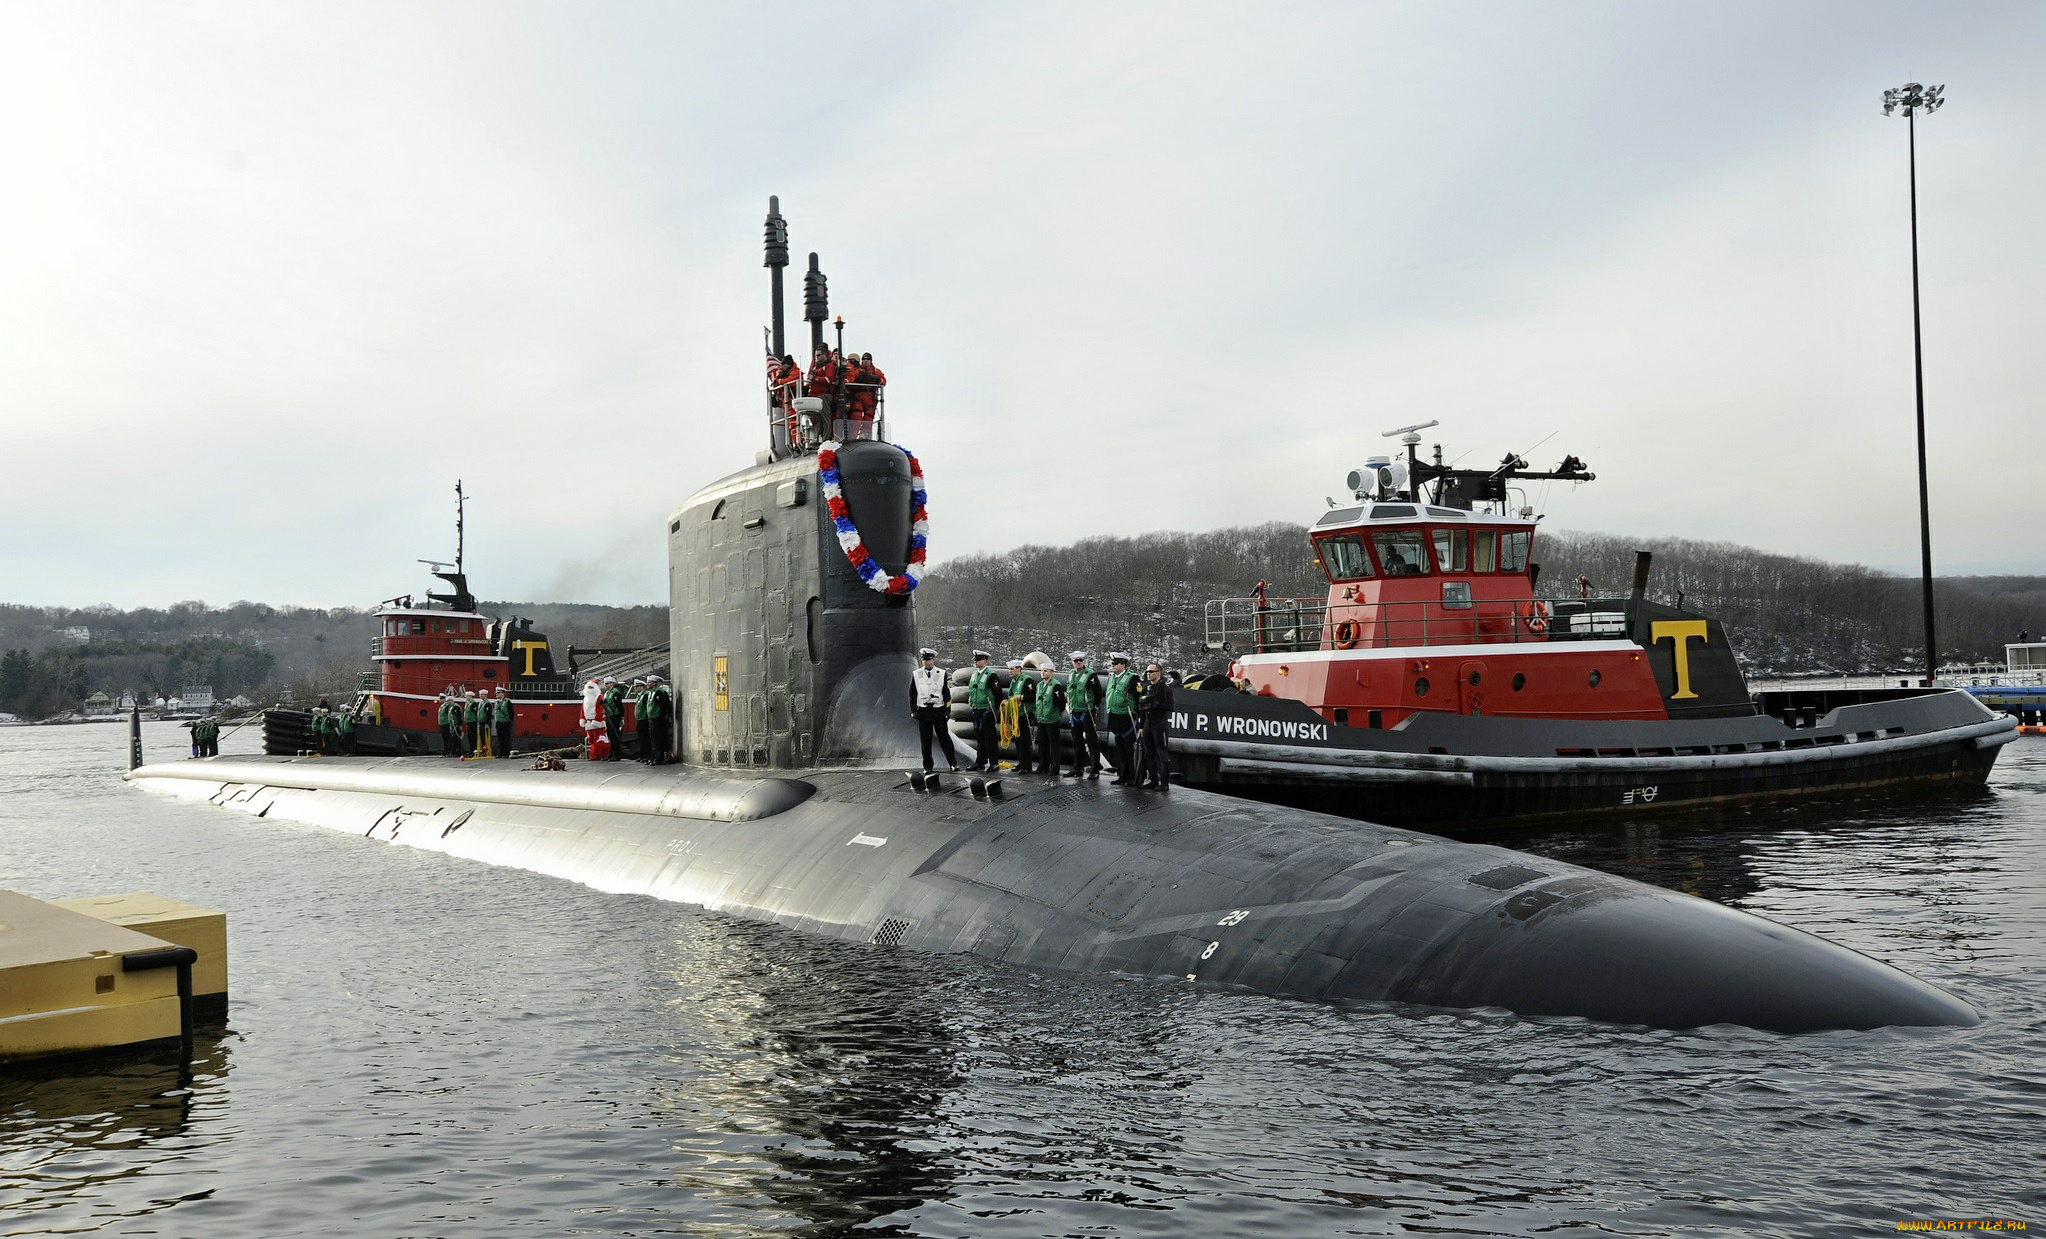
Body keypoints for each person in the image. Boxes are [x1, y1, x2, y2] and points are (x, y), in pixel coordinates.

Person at [910, 647, 959, 773]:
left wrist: (948, 711)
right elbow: (912, 693)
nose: (925, 662)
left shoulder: (942, 674)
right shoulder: (916, 674)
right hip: (923, 711)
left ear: (933, 659)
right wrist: (913, 710)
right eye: (923, 660)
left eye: (927, 659)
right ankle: (927, 766)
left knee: (944, 739)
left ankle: (953, 763)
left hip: (938, 710)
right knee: (925, 741)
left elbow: (946, 694)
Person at [1104, 653, 1140, 785]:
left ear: (1123, 665)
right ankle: (1123, 775)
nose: (1112, 666)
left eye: (1115, 664)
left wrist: (1140, 718)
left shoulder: (1132, 678)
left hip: (1127, 718)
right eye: (1112, 663)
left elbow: (1138, 698)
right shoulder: (1112, 678)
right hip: (1114, 716)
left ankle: (1132, 777)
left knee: (1129, 749)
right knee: (1120, 749)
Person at [1064, 651, 1101, 779]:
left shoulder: (1090, 674)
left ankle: (1095, 770)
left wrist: (1094, 706)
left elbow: (1098, 692)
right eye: (1076, 661)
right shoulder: (1071, 674)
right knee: (1077, 740)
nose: (1078, 662)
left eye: (1080, 660)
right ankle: (1078, 768)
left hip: (1087, 711)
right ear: (1072, 662)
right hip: (1075, 711)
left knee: (1092, 741)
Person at [965, 650, 1003, 771]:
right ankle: (980, 761)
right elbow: (972, 690)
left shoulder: (991, 675)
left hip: (987, 709)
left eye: (978, 660)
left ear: (985, 661)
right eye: (975, 660)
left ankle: (994, 763)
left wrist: (993, 709)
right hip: (976, 709)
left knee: (990, 737)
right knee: (979, 737)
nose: (976, 662)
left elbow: (998, 694)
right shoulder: (974, 675)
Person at [1139, 661, 1175, 789]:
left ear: (1158, 673)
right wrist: (1141, 726)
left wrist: (1156, 704)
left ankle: (1164, 783)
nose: (1148, 674)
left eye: (1151, 671)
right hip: (1148, 723)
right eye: (1147, 672)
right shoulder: (1147, 688)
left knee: (1161, 752)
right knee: (1148, 752)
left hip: (1159, 723)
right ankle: (1153, 780)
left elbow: (1170, 706)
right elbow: (1142, 708)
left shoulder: (1165, 688)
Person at [1031, 663, 1065, 775]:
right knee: (1042, 744)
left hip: (1052, 719)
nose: (1043, 673)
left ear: (1051, 672)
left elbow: (1061, 702)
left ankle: (1054, 768)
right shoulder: (1039, 685)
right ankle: (1043, 766)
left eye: (1045, 671)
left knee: (1054, 745)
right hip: (1042, 719)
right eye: (1042, 671)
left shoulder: (1056, 685)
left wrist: (1057, 713)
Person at [1003, 658, 1035, 774]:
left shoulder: (1027, 680)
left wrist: (1021, 698)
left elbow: (1032, 696)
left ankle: (1026, 766)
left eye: (1012, 669)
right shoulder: (1013, 681)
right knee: (1018, 740)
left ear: (1019, 669)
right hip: (1015, 715)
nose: (1010, 671)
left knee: (1024, 740)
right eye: (1009, 669)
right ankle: (1021, 762)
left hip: (1024, 714)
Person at [644, 674, 673, 764]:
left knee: (658, 739)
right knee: (653, 739)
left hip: (658, 718)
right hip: (652, 717)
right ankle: (653, 757)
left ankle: (658, 758)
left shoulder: (659, 692)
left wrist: (665, 716)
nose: (647, 684)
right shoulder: (651, 693)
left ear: (654, 683)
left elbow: (663, 705)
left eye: (649, 682)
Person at [602, 677, 625, 761]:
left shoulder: (615, 693)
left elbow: (619, 705)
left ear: (612, 684)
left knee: (615, 736)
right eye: (605, 683)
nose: (605, 685)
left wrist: (621, 716)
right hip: (609, 716)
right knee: (610, 735)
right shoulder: (607, 693)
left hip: (615, 716)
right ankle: (611, 753)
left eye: (607, 683)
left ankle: (616, 755)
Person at [493, 687, 513, 760]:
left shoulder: (507, 702)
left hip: (505, 722)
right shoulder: (496, 702)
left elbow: (511, 712)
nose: (496, 694)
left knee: (506, 738)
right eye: (496, 693)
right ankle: (501, 753)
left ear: (502, 693)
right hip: (498, 722)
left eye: (498, 693)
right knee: (500, 738)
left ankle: (507, 753)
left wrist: (509, 720)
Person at [465, 690, 487, 758]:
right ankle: (471, 750)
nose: (466, 697)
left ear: (470, 696)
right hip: (468, 722)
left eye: (467, 696)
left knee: (473, 737)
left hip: (473, 722)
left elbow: (475, 712)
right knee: (470, 737)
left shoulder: (473, 704)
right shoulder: (467, 703)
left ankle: (474, 750)